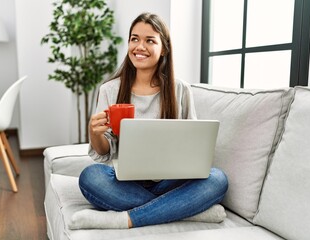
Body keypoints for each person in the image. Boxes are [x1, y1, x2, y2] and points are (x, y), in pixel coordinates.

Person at [73, 12, 228, 229]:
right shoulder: (110, 90)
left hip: (169, 181)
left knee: (218, 179)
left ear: (163, 48)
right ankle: (185, 210)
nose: (139, 46)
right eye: (134, 39)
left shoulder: (180, 89)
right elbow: (103, 151)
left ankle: (128, 218)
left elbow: (193, 145)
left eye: (149, 40)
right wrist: (95, 134)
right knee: (90, 176)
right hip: (123, 182)